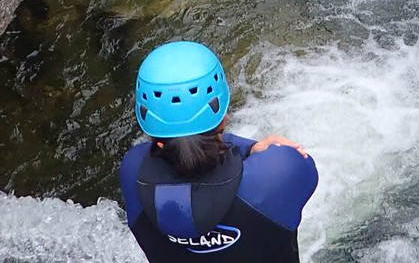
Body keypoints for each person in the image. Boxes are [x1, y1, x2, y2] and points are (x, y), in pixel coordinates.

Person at [119, 41, 318, 262]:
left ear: (148, 126)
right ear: (223, 118)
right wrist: (251, 149)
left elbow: (175, 149)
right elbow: (306, 172)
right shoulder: (280, 170)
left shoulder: (132, 170)